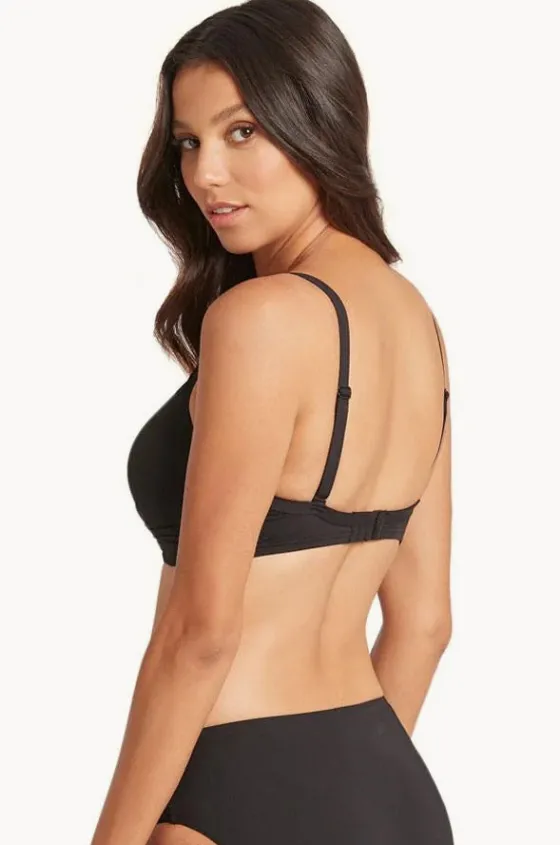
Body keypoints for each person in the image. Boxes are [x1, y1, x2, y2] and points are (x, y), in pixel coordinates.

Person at [92, 1, 454, 843]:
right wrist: (340, 792)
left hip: (230, 788)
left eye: (242, 132)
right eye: (188, 142)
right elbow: (426, 621)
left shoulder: (259, 320)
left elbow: (200, 635)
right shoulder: (416, 323)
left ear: (316, 119)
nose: (206, 175)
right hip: (388, 788)